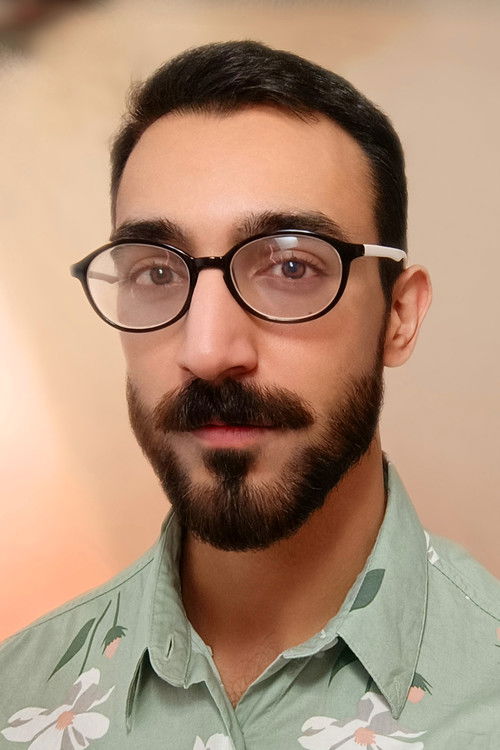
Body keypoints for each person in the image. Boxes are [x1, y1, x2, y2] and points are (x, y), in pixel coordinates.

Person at [1, 40, 498, 749]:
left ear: (398, 315)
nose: (207, 351)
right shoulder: (17, 698)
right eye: (156, 273)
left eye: (291, 266)